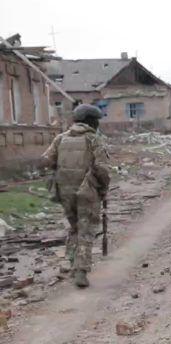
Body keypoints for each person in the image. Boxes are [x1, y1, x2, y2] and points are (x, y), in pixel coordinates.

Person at [42, 104, 110, 288]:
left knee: (74, 228)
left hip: (65, 192)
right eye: (96, 121)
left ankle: (72, 263)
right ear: (91, 122)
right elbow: (103, 169)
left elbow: (47, 160)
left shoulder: (60, 138)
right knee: (86, 230)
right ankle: (81, 271)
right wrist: (104, 189)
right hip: (87, 191)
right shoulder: (93, 140)